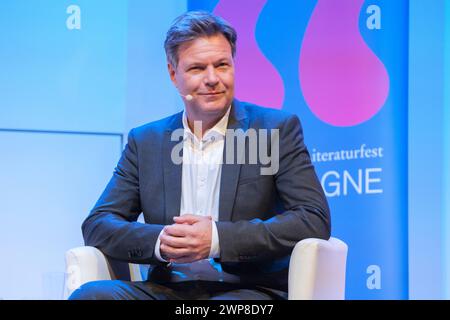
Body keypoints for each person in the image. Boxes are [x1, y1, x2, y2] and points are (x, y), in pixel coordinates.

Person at [69, 11, 330, 300]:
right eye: (196, 68)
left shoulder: (275, 130)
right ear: (173, 74)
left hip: (248, 290)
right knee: (92, 296)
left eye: (222, 65)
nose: (212, 79)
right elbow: (99, 223)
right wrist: (161, 241)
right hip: (167, 289)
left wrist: (216, 239)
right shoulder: (146, 141)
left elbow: (312, 218)